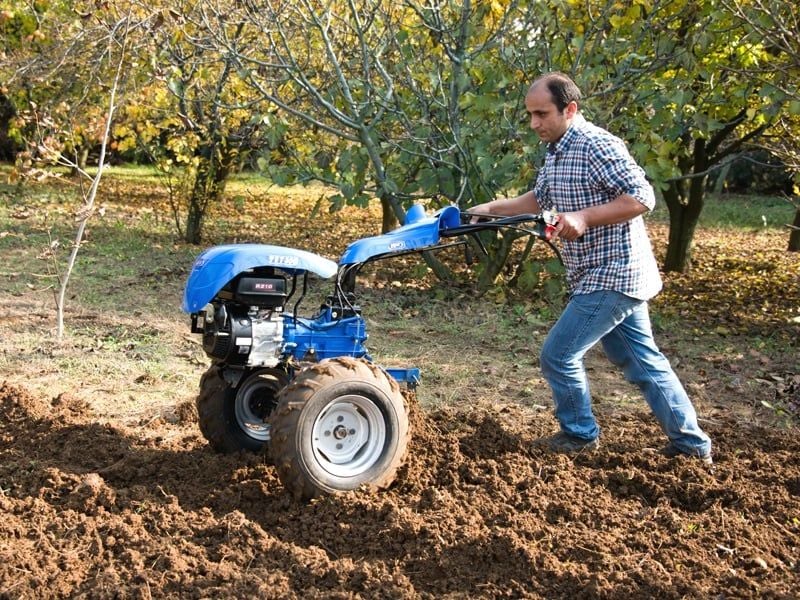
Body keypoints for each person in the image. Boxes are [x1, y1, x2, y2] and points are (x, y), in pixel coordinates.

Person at [469, 72, 713, 464]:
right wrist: (491, 209)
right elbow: (540, 197)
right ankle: (691, 445)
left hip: (614, 272)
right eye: (530, 115)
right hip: (600, 273)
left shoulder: (596, 144)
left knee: (558, 354)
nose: (534, 124)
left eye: (541, 114)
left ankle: (579, 435)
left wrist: (583, 218)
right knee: (641, 361)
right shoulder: (557, 149)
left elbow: (641, 196)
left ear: (570, 109)